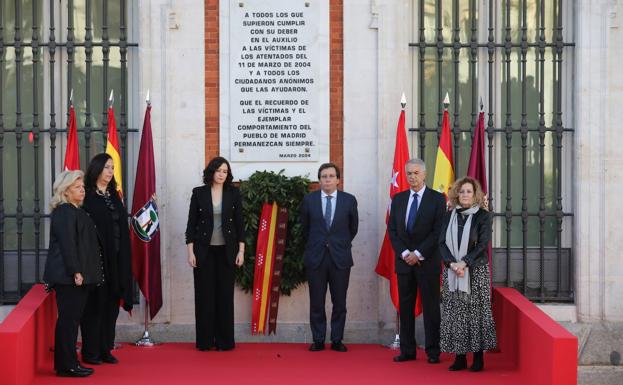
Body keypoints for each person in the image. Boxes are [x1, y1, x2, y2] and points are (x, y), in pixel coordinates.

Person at [43, 170, 103, 377]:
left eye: (83, 187)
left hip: (75, 277)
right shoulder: (65, 211)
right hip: (69, 278)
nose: (83, 190)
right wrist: (76, 272)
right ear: (65, 191)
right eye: (77, 187)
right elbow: (69, 245)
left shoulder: (76, 210)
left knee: (72, 320)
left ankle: (69, 363)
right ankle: (67, 366)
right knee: (69, 322)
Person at [388, 158, 445, 364]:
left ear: (424, 174)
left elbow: (438, 231)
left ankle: (433, 351)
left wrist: (418, 253)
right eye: (409, 173)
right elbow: (392, 230)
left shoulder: (437, 199)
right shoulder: (399, 199)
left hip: (427, 262)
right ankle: (407, 350)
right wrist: (405, 253)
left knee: (431, 308)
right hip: (404, 263)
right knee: (405, 307)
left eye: (416, 173)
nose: (412, 177)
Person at [185, 157, 245, 351]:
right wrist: (190, 252)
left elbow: (239, 225)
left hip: (227, 252)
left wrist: (241, 251)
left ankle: (225, 341)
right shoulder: (199, 193)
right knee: (204, 297)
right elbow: (191, 224)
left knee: (225, 297)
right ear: (211, 172)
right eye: (218, 170)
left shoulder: (233, 193)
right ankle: (204, 341)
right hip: (204, 252)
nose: (221, 174)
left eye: (225, 171)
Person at [80, 153, 134, 365]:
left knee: (111, 306)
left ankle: (105, 349)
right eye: (107, 167)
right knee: (94, 308)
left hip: (117, 260)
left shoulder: (114, 197)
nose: (111, 172)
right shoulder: (87, 198)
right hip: (96, 262)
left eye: (112, 168)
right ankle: (90, 352)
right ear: (96, 170)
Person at [439, 177, 497, 372]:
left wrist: (464, 263)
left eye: (469, 192)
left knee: (476, 314)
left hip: (475, 272)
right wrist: (452, 264)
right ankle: (460, 358)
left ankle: (478, 358)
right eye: (462, 191)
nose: (465, 195)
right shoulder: (449, 215)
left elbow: (482, 245)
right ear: (457, 194)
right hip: (453, 271)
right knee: (456, 314)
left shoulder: (483, 216)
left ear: (475, 195)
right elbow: (441, 243)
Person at [299, 163, 359, 352]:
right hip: (316, 257)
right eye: (324, 176)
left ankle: (336, 339)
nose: (327, 179)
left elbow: (353, 228)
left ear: (338, 180)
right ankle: (318, 339)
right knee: (316, 301)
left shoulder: (349, 200)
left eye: (331, 176)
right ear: (319, 180)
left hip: (339, 258)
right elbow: (304, 228)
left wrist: (339, 244)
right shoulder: (309, 200)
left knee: (339, 301)